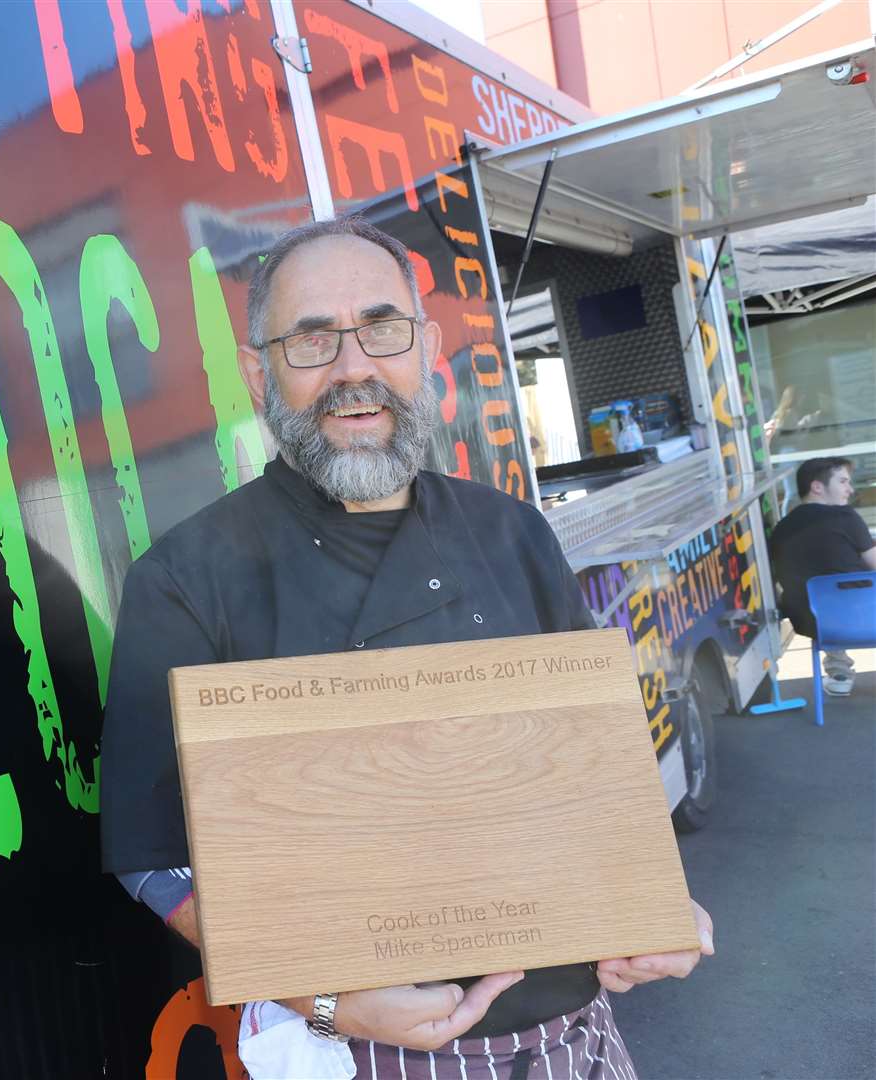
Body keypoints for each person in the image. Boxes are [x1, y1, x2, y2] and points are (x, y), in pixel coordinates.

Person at [99, 216, 714, 1080]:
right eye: (313, 340)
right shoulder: (187, 577)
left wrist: (653, 906)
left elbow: (593, 776)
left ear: (424, 347)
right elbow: (153, 856)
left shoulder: (513, 533)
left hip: (576, 1034)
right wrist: (325, 997)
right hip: (355, 1056)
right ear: (255, 374)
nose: (355, 368)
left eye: (382, 328)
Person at [768, 457, 876, 696]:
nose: (850, 489)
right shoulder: (846, 518)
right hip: (868, 620)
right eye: (843, 482)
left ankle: (839, 674)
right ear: (817, 487)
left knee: (825, 597)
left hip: (814, 625)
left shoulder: (780, 529)